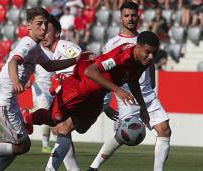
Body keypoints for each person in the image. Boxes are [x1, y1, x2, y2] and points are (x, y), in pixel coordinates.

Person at [0, 7, 85, 171]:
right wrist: (15, 81)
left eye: (45, 24)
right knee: (23, 145)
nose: (43, 28)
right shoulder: (27, 44)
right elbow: (14, 61)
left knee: (13, 146)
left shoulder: (36, 47)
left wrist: (75, 59)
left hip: (3, 99)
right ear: (29, 26)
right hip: (2, 101)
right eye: (39, 24)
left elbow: (50, 65)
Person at [23, 30, 160, 170]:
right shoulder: (122, 57)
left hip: (97, 94)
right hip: (80, 87)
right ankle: (28, 117)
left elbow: (133, 81)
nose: (150, 57)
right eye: (148, 52)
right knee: (54, 119)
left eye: (154, 53)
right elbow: (90, 71)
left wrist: (143, 107)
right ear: (138, 46)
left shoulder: (142, 61)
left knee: (81, 128)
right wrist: (117, 89)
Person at [87, 2, 171, 171]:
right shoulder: (113, 44)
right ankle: (94, 166)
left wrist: (152, 84)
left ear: (138, 17)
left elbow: (151, 63)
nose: (130, 18)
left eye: (133, 15)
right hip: (127, 95)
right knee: (125, 134)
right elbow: (104, 74)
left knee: (165, 129)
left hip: (147, 93)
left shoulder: (145, 39)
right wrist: (106, 103)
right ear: (121, 18)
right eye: (126, 15)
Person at [29, 14, 82, 170]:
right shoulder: (48, 54)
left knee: (61, 128)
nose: (44, 34)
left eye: (48, 31)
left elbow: (84, 61)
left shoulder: (65, 47)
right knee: (59, 129)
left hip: (86, 94)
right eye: (43, 31)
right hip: (73, 94)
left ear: (57, 33)